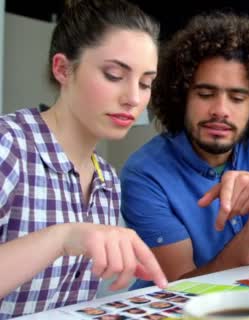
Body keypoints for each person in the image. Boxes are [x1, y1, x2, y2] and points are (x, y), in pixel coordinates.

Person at [120, 13, 249, 288]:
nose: (220, 111)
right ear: (182, 96)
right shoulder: (144, 174)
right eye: (205, 94)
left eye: (237, 98)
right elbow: (181, 289)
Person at [0, 0, 168, 318]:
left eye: (146, 83)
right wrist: (62, 237)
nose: (134, 98)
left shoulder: (106, 181)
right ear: (63, 69)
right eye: (114, 74)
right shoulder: (9, 146)